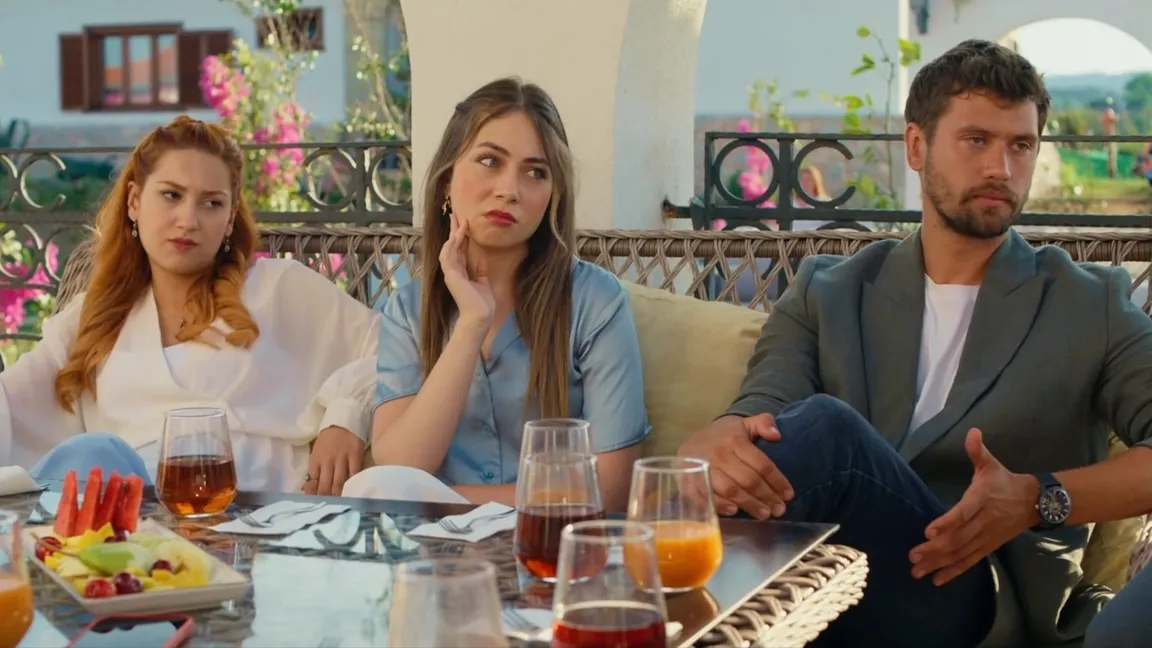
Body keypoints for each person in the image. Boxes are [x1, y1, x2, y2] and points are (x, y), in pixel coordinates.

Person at [677, 39, 1152, 648]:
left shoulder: (1088, 303)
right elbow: (764, 412)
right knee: (771, 452)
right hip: (827, 586)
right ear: (917, 146)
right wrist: (719, 440)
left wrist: (1039, 498)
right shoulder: (830, 291)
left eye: (1021, 145)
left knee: (831, 433)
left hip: (982, 597)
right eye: (976, 140)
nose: (1000, 169)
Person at [0, 116, 380, 496]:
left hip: (262, 516)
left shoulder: (276, 289)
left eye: (212, 203)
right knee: (93, 453)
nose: (188, 220)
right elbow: (12, 407)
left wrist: (346, 416)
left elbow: (390, 345)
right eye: (171, 195)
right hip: (135, 519)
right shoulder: (94, 318)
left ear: (229, 219)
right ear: (134, 201)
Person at [342, 78, 649, 510]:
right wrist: (471, 324)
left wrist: (440, 499)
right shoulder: (408, 310)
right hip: (439, 546)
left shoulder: (596, 302)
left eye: (535, 172)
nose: (509, 190)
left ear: (552, 196)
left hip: (551, 540)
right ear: (447, 181)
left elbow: (611, 489)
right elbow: (400, 467)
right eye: (490, 161)